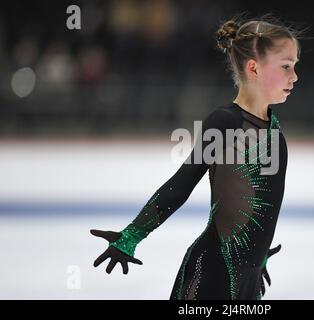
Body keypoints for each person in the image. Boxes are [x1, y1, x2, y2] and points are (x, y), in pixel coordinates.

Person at [91, 14, 301, 300]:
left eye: (294, 66)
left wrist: (259, 255)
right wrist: (131, 236)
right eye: (286, 66)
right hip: (212, 274)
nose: (295, 76)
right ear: (254, 68)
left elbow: (263, 202)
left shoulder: (273, 128)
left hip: (246, 283)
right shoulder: (225, 122)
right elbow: (180, 185)